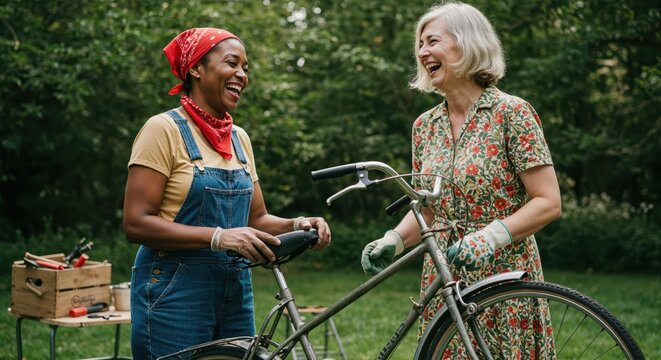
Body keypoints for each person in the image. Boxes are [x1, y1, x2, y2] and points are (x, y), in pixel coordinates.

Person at [360, 2, 561, 358]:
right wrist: (394, 239)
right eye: (420, 44)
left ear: (467, 44)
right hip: (445, 274)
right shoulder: (424, 126)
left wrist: (490, 237)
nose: (423, 52)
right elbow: (430, 206)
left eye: (433, 41)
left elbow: (548, 202)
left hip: (504, 276)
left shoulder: (512, 113)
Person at [123, 27, 331, 359]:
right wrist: (219, 237)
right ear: (196, 68)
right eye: (232, 63)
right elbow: (136, 224)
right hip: (174, 295)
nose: (242, 75)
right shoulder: (162, 130)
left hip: (235, 293)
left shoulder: (238, 138)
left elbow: (257, 219)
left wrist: (298, 224)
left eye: (246, 67)